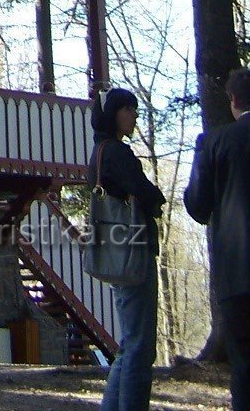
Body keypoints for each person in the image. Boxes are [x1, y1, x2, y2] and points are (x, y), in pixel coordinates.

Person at [88, 86, 165, 411]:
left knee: (130, 343)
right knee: (140, 346)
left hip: (118, 250)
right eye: (128, 109)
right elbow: (142, 190)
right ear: (113, 114)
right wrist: (157, 200)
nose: (133, 115)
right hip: (134, 250)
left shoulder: (100, 152)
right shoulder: (118, 153)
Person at [184, 67, 250, 411]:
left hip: (237, 276)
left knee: (244, 368)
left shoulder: (214, 142)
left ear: (233, 101)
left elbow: (197, 205)